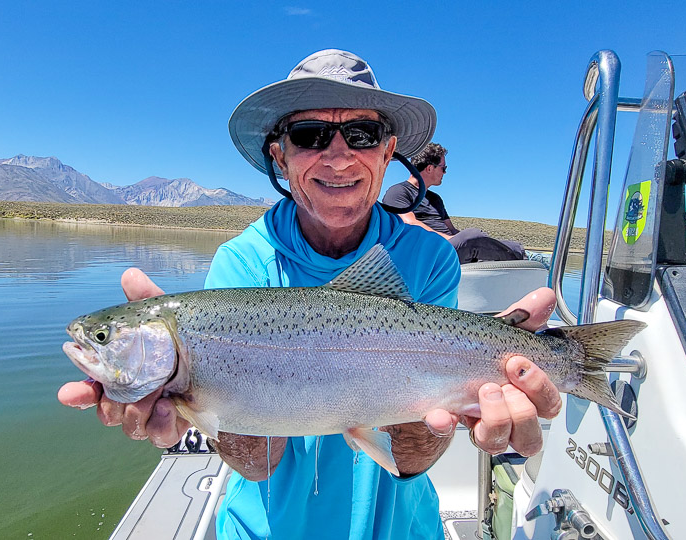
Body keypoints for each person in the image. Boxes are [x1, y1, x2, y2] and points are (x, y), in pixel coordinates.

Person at [57, 49, 562, 540]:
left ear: (388, 152)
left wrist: (469, 390)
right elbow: (257, 467)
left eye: (362, 134)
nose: (338, 155)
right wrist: (200, 407)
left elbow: (411, 455)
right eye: (310, 135)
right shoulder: (242, 263)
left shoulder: (428, 258)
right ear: (280, 154)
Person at [382, 142, 527, 262]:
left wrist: (463, 238)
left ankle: (530, 259)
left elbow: (451, 229)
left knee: (502, 242)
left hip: (450, 246)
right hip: (430, 252)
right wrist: (454, 240)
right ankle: (524, 258)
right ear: (429, 168)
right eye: (443, 168)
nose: (445, 173)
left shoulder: (435, 199)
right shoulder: (398, 192)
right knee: (472, 237)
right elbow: (410, 224)